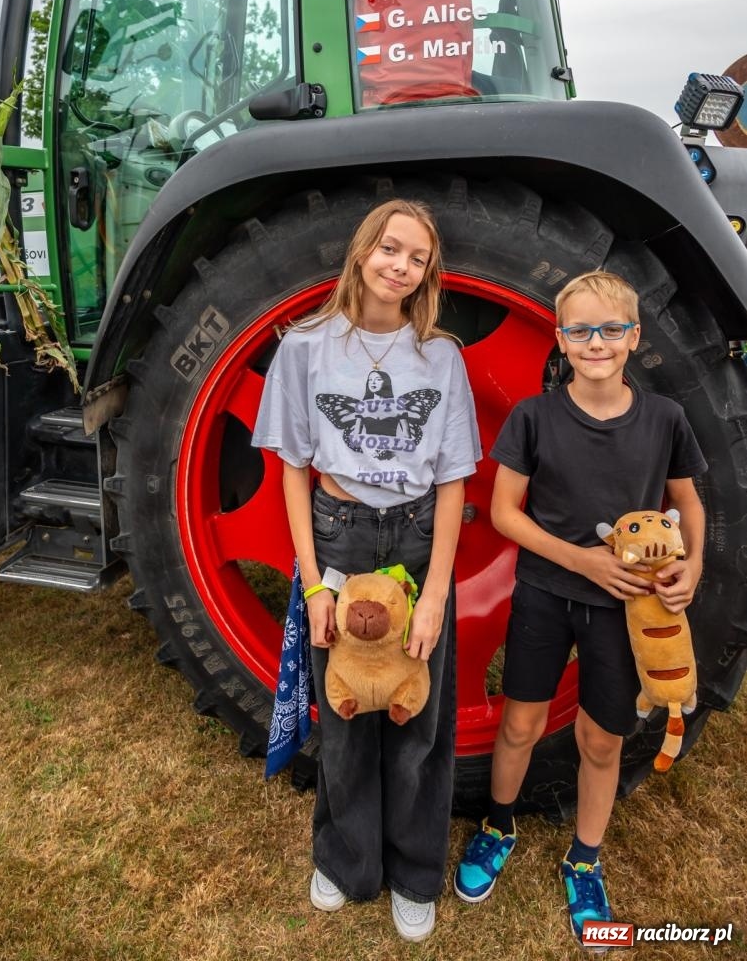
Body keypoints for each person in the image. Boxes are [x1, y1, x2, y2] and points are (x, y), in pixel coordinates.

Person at [454, 270, 706, 948]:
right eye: (579, 330)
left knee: (601, 739)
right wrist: (580, 560)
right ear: (559, 338)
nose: (594, 342)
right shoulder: (532, 418)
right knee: (518, 724)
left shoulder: (664, 420)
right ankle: (496, 826)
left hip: (623, 612)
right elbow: (505, 514)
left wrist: (694, 562)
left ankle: (583, 859)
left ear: (632, 337)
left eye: (609, 329)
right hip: (543, 595)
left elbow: (686, 503)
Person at [252, 198, 481, 942]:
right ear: (361, 253)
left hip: (414, 536)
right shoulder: (305, 347)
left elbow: (453, 480)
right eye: (389, 249)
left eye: (415, 258)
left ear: (426, 273)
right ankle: (347, 858)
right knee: (346, 707)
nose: (399, 266)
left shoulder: (439, 358)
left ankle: (416, 869)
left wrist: (437, 592)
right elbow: (291, 469)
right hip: (341, 535)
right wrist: (315, 582)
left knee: (417, 707)